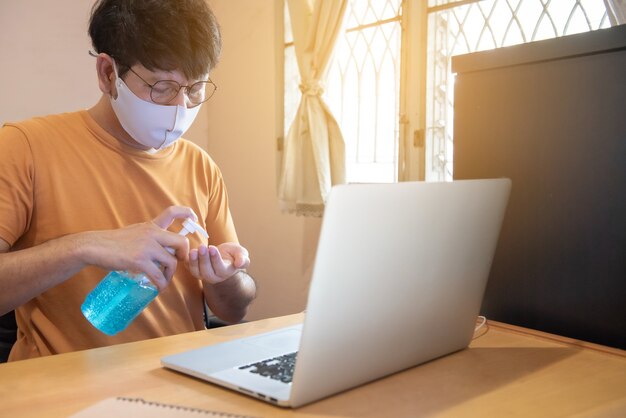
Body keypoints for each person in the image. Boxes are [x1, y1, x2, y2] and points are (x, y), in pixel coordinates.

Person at [0, 0, 256, 362]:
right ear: (108, 74)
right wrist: (85, 247)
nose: (180, 107)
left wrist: (225, 277)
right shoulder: (24, 147)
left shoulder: (201, 165)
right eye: (162, 86)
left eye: (195, 88)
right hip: (63, 391)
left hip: (183, 380)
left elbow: (234, 312)